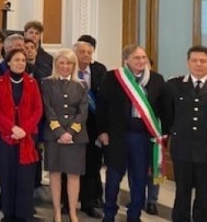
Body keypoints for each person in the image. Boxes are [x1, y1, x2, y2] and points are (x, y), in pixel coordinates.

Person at [96, 44, 166, 222]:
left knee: (139, 178)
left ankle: (134, 214)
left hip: (142, 136)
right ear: (126, 59)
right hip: (117, 135)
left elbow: (163, 110)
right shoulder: (112, 77)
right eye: (136, 58)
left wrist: (163, 134)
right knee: (113, 176)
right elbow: (102, 107)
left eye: (143, 57)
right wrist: (102, 131)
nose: (141, 61)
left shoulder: (157, 79)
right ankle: (109, 213)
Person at [0, 48, 42, 222]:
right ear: (9, 63)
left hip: (27, 137)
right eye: (17, 60)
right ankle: (9, 213)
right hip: (6, 135)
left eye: (23, 60)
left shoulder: (32, 83)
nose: (20, 63)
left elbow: (38, 110)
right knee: (8, 174)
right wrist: (12, 128)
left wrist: (24, 130)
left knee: (26, 177)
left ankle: (23, 214)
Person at [41, 49, 88, 222]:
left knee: (73, 175)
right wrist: (60, 132)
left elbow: (83, 112)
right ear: (55, 64)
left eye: (69, 63)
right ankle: (57, 212)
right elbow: (48, 109)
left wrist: (71, 132)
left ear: (74, 65)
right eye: (61, 63)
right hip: (54, 135)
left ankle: (73, 212)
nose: (65, 66)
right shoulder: (46, 83)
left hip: (76, 136)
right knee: (55, 174)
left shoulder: (81, 84)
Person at [164, 45, 207, 222]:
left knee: (204, 196)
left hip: (206, 151)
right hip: (182, 150)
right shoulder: (174, 85)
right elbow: (167, 115)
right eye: (194, 60)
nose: (198, 64)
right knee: (182, 194)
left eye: (203, 61)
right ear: (188, 62)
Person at [74, 38, 107, 218]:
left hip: (94, 127)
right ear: (75, 54)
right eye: (82, 52)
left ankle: (89, 202)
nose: (86, 55)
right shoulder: (68, 68)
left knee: (92, 166)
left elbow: (104, 100)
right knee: (70, 167)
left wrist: (103, 129)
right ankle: (68, 201)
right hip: (71, 128)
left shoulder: (100, 70)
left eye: (89, 52)